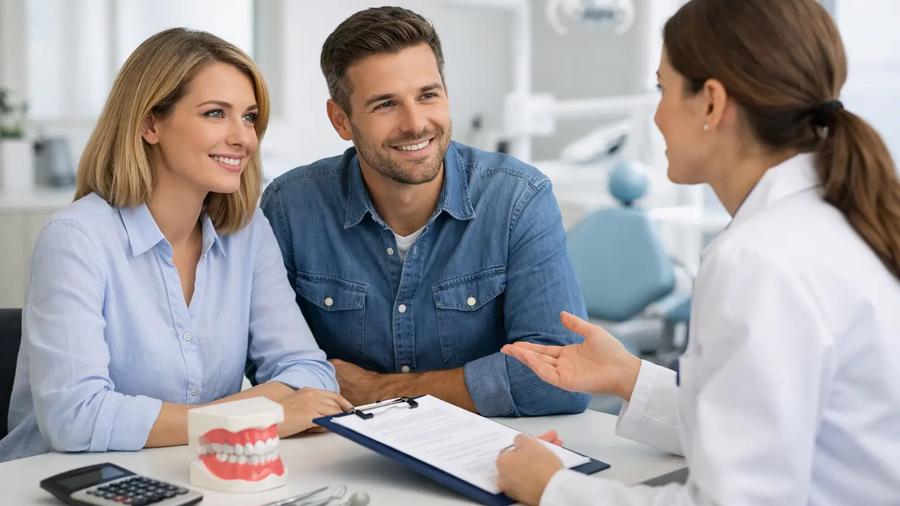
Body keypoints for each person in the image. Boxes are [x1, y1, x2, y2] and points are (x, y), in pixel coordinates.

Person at [494, 0, 900, 504]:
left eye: (662, 89)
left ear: (710, 103)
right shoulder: (834, 219)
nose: (657, 116)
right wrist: (628, 377)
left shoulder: (760, 259)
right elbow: (766, 431)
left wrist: (552, 487)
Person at [0, 28, 351, 463]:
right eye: (215, 113)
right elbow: (75, 417)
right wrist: (262, 416)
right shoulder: (76, 238)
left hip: (190, 475)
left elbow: (311, 373)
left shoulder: (246, 233)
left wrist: (236, 417)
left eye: (248, 117)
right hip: (54, 481)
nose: (244, 138)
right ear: (150, 124)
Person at [259, 6, 589, 416]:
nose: (415, 123)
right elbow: (271, 370)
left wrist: (378, 390)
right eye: (385, 104)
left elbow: (563, 379)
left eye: (428, 95)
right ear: (341, 120)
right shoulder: (290, 207)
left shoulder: (518, 199)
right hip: (336, 448)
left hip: (492, 447)